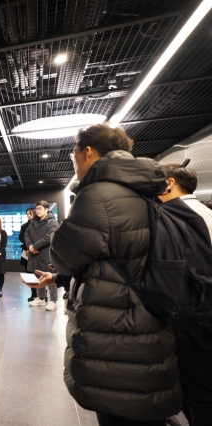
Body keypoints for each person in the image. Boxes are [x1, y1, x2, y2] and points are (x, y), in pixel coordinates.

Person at [50, 124, 181, 424]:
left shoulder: (98, 196)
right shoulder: (144, 191)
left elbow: (63, 256)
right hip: (146, 321)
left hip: (116, 331)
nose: (75, 163)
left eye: (75, 156)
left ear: (88, 152)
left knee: (118, 412)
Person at [158, 163, 212, 425]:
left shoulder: (177, 216)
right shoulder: (204, 212)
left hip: (190, 315)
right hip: (200, 313)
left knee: (196, 393)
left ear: (168, 184)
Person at [25, 201, 58, 310]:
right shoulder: (33, 222)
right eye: (37, 209)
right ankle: (41, 298)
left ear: (46, 209)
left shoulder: (52, 222)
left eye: (40, 208)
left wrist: (35, 246)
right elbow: (26, 234)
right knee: (38, 275)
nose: (37, 211)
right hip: (35, 255)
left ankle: (53, 301)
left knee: (50, 276)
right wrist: (30, 246)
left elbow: (49, 237)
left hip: (47, 254)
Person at [19, 208, 37, 302]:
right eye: (27, 214)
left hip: (37, 251)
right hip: (26, 251)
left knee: (39, 273)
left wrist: (33, 247)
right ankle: (33, 294)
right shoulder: (24, 226)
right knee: (29, 273)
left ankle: (42, 294)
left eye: (30, 214)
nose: (29, 216)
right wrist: (27, 248)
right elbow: (22, 238)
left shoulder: (39, 225)